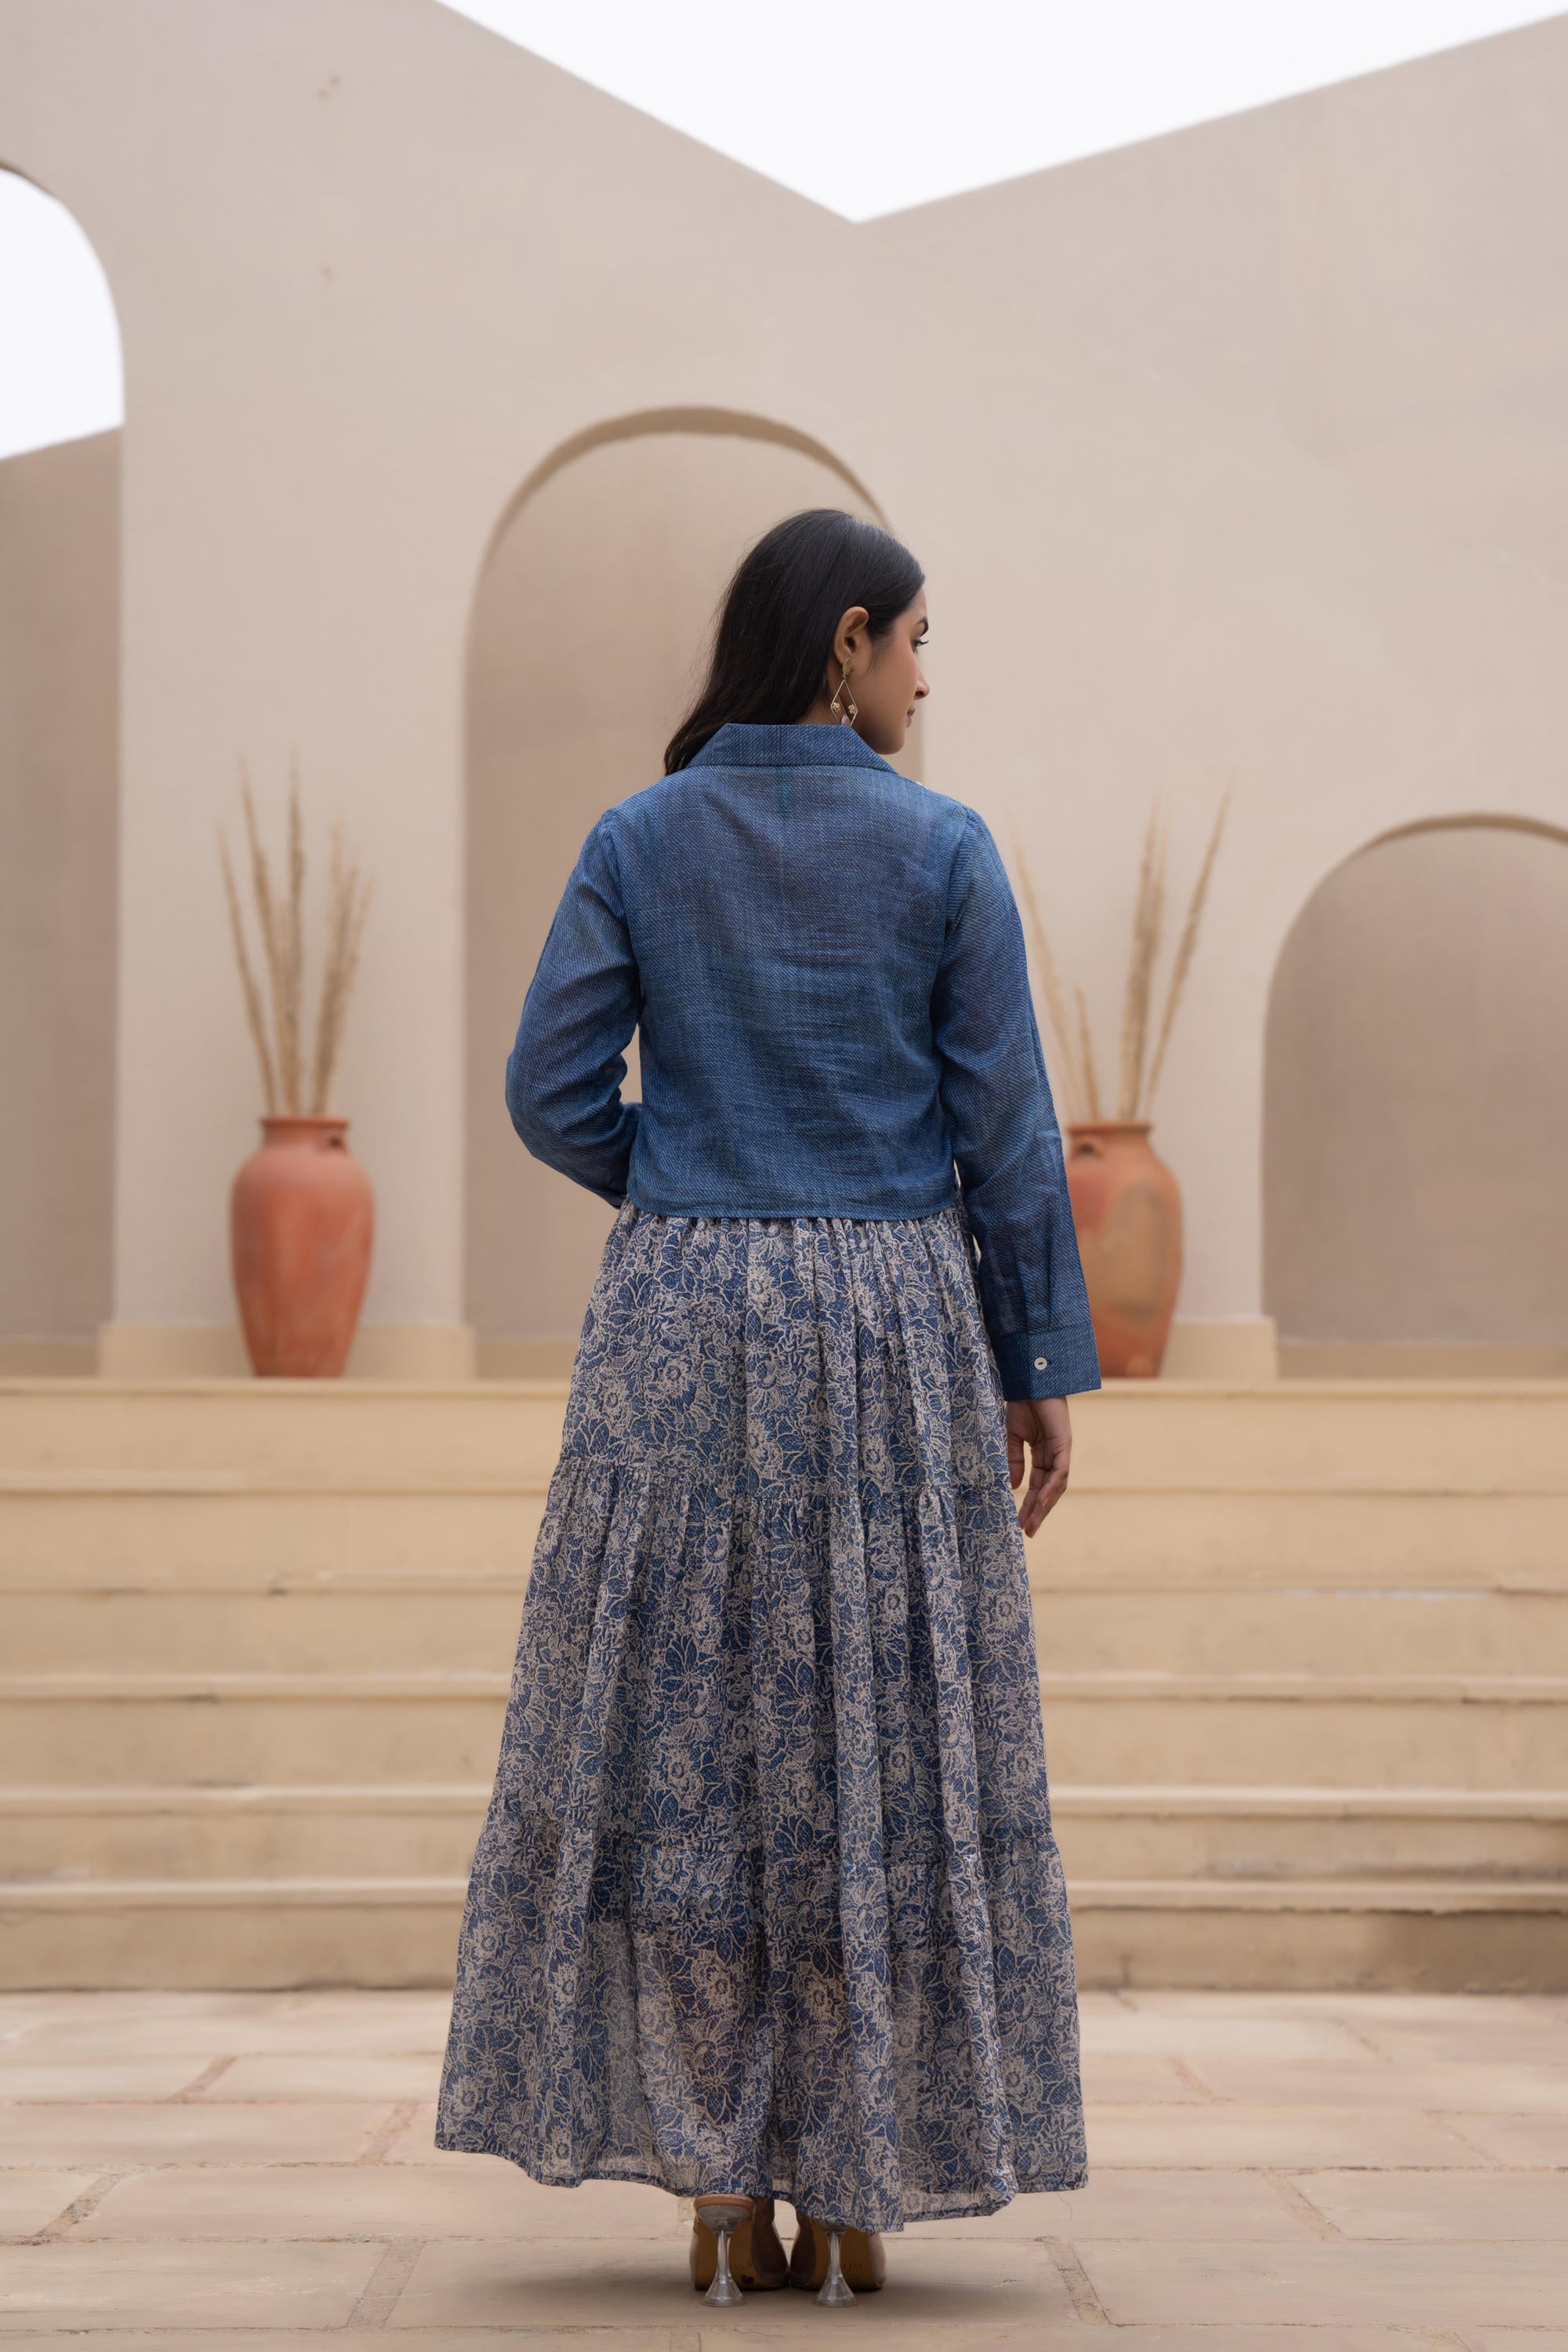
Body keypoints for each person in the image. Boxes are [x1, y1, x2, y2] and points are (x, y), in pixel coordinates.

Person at [436, 508, 1099, 2307]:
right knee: (874, 1738)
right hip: (891, 1321)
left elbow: (547, 1087)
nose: (925, 679)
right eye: (916, 645)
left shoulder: (639, 837)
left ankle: (719, 2184)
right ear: (849, 642)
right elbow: (1008, 1142)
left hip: (680, 1318)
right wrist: (1038, 1361)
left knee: (687, 1739)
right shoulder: (942, 851)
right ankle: (858, 2181)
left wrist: (691, 1177)